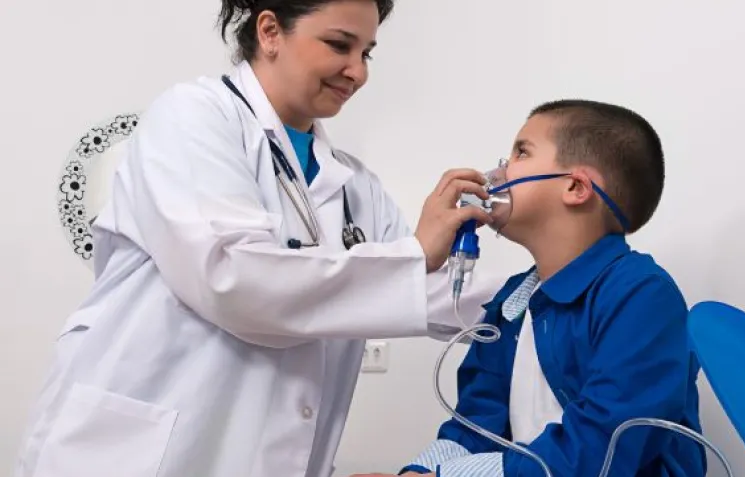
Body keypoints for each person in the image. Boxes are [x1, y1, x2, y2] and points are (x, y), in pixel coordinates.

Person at [13, 1, 502, 476]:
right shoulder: (193, 117)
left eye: (367, 52)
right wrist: (415, 253)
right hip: (135, 453)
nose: (358, 72)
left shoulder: (355, 187)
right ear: (269, 32)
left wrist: (547, 288)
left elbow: (438, 291)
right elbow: (231, 279)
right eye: (339, 44)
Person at [353, 100, 707, 477]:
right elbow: (476, 425)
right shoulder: (513, 302)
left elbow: (600, 449)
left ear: (575, 186)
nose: (499, 170)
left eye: (521, 152)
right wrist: (420, 471)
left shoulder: (640, 296)